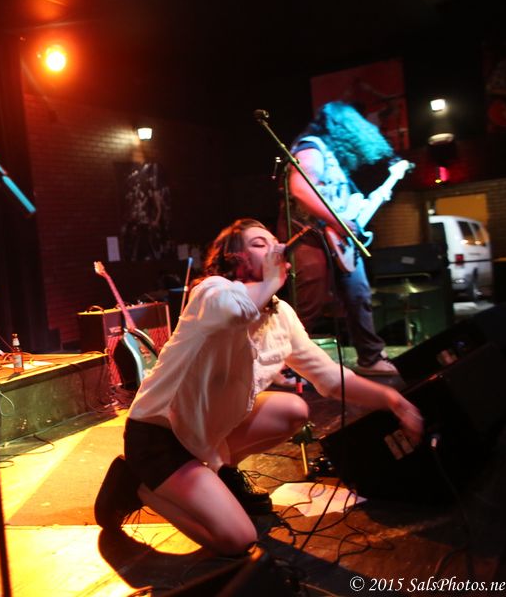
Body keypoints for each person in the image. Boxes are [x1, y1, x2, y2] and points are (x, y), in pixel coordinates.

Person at [94, 219, 424, 555]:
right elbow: (233, 313)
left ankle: (222, 472)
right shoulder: (211, 291)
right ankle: (141, 487)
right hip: (159, 436)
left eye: (273, 241)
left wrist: (392, 400)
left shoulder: (280, 314)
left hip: (205, 434)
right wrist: (270, 280)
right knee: (237, 539)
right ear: (234, 257)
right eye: (258, 244)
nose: (275, 248)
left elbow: (330, 378)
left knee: (293, 410)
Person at [280, 101, 407, 376]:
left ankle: (370, 357)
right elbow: (300, 189)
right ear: (343, 127)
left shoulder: (332, 158)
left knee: (358, 295)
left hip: (338, 241)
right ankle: (282, 367)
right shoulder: (311, 148)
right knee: (308, 305)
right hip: (310, 237)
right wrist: (338, 222)